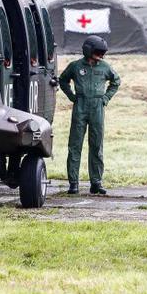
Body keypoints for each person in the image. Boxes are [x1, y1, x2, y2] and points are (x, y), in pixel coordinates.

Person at [59, 35, 121, 195]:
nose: (101, 55)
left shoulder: (105, 67)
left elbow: (116, 81)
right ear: (88, 51)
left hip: (97, 107)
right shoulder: (75, 66)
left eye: (102, 53)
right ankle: (73, 183)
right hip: (80, 105)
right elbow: (63, 80)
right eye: (98, 52)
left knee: (96, 145)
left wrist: (105, 98)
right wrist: (72, 97)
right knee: (75, 145)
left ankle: (96, 182)